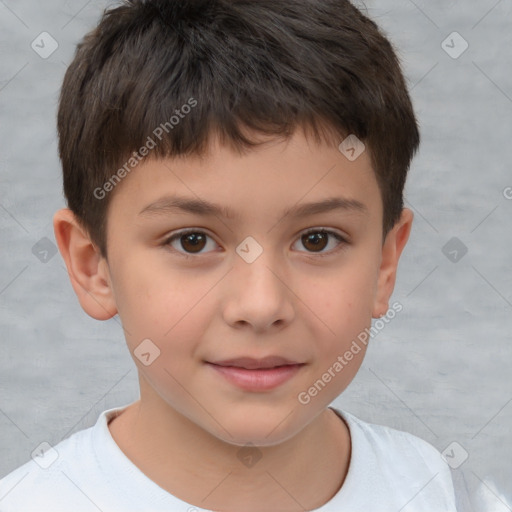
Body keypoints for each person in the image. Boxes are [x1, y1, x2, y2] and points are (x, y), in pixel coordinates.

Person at [0, 0, 460, 510]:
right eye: (192, 241)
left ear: (383, 263)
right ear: (93, 265)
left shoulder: (434, 489)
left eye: (317, 240)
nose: (261, 306)